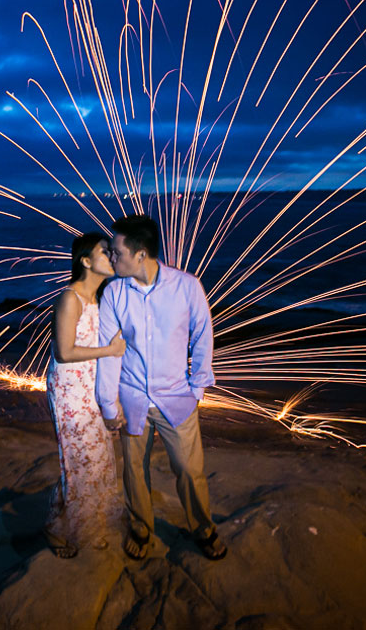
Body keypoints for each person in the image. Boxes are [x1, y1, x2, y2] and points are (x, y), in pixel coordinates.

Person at [96, 215, 228, 561]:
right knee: (133, 469)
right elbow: (109, 353)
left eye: (117, 251)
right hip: (132, 396)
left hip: (176, 397)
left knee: (188, 469)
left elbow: (203, 336)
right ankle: (140, 527)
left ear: (141, 254)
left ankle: (203, 528)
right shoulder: (113, 293)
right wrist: (109, 405)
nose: (111, 257)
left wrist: (197, 388)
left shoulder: (187, 287)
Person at [44, 233, 126, 558]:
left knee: (97, 458)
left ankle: (68, 521)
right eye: (105, 252)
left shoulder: (99, 299)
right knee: (79, 459)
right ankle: (70, 530)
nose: (112, 256)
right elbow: (63, 352)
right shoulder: (70, 298)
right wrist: (110, 350)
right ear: (86, 261)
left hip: (90, 389)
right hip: (68, 391)